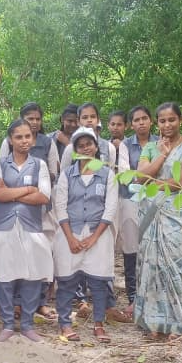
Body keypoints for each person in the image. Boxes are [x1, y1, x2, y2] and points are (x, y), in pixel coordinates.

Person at [133, 102, 182, 339]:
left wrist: (151, 184)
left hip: (179, 213)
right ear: (157, 123)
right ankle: (155, 323)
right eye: (163, 121)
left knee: (178, 265)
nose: (167, 125)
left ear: (180, 120)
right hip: (152, 213)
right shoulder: (150, 147)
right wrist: (163, 155)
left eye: (172, 120)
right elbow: (140, 176)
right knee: (153, 267)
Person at [53, 128, 118, 343]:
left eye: (89, 144)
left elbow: (110, 208)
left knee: (98, 282)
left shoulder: (107, 174)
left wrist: (94, 237)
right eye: (80, 146)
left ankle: (98, 324)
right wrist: (70, 238)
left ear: (96, 146)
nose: (85, 148)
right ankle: (65, 323)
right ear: (75, 150)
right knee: (67, 281)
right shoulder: (67, 175)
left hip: (98, 235)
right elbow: (60, 206)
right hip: (69, 233)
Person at [0, 119, 51, 341]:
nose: (24, 140)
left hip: (31, 227)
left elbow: (43, 197)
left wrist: (11, 191)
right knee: (4, 276)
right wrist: (28, 189)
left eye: (27, 136)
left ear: (33, 139)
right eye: (19, 137)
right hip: (3, 227)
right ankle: (7, 324)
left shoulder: (40, 165)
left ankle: (27, 324)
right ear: (10, 140)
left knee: (32, 275)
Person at [116, 105, 156, 315]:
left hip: (156, 200)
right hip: (130, 200)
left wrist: (140, 175)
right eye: (136, 120)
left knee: (154, 247)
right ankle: (133, 298)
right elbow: (125, 176)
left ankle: (153, 297)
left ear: (151, 121)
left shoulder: (160, 142)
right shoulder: (125, 145)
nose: (141, 123)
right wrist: (150, 175)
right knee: (131, 248)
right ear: (131, 124)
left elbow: (165, 172)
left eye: (144, 118)